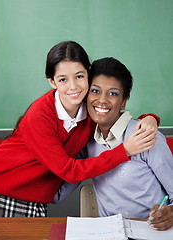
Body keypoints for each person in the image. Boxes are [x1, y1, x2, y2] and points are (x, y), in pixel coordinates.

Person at [0, 41, 158, 217]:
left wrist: (150, 118)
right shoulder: (40, 115)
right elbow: (69, 171)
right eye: (63, 79)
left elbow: (115, 115)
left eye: (79, 76)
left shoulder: (91, 109)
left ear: (88, 73)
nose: (73, 87)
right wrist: (125, 151)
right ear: (52, 82)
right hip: (2, 191)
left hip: (35, 198)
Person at [53, 57, 173, 230]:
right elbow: (59, 193)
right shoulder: (86, 142)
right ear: (85, 94)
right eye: (95, 91)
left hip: (151, 231)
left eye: (113, 93)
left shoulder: (144, 135)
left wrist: (170, 212)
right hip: (111, 233)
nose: (102, 100)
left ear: (123, 101)